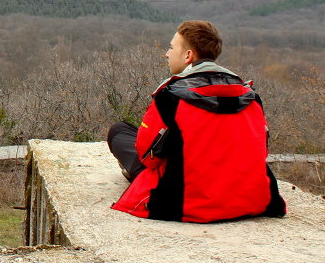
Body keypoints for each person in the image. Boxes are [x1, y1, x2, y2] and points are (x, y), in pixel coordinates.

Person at [108, 20, 286, 222]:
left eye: (171, 47)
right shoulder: (250, 96)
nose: (167, 53)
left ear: (188, 56)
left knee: (119, 132)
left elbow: (148, 157)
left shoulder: (171, 97)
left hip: (189, 202)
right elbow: (261, 150)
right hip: (250, 200)